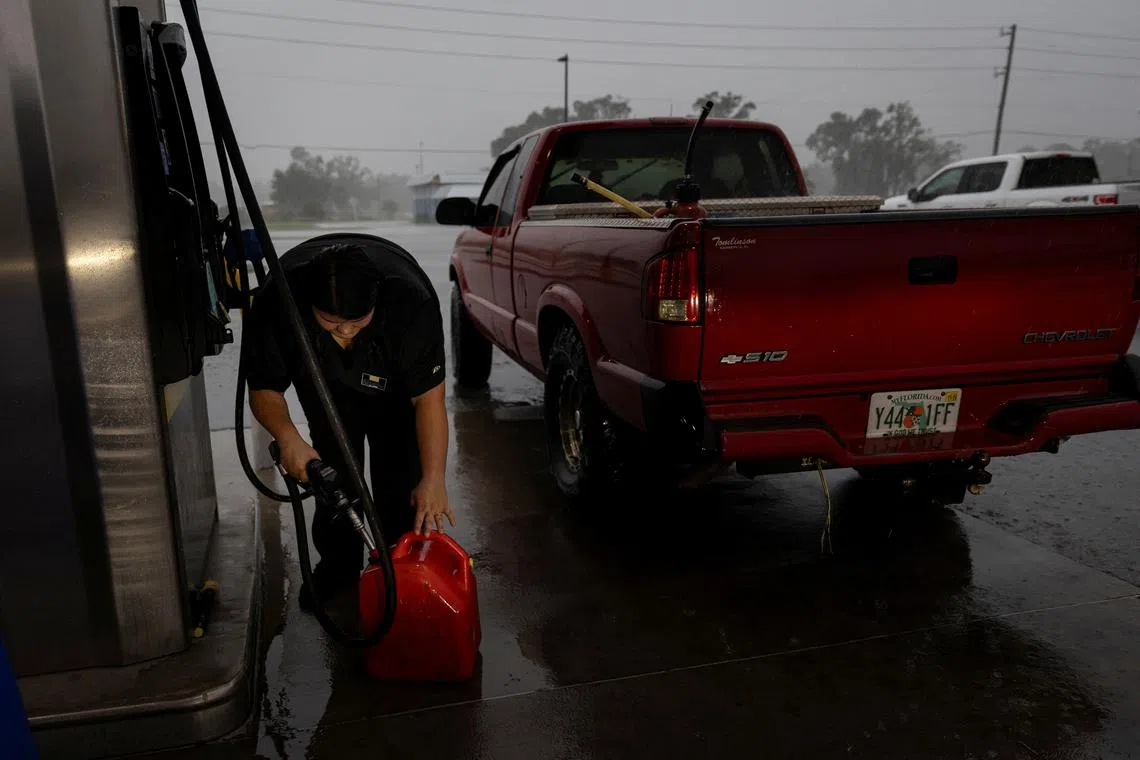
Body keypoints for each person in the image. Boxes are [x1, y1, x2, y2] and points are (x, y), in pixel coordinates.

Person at [243, 239, 453, 610]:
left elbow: (429, 399)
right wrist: (288, 437)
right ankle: (338, 569)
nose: (344, 333)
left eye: (356, 323)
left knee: (401, 470)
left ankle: (398, 564)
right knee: (333, 470)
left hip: (395, 386)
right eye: (332, 322)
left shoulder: (409, 303)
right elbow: (264, 388)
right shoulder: (279, 304)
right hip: (322, 380)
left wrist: (434, 478)